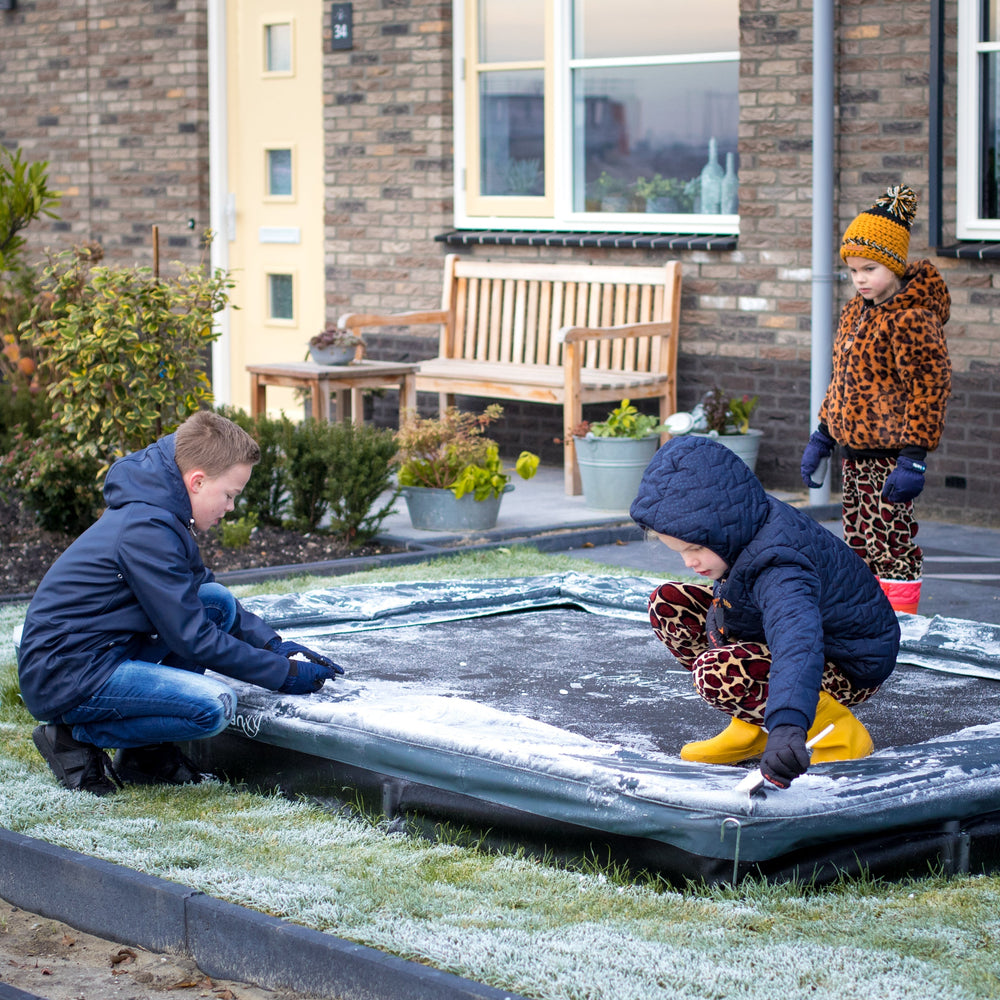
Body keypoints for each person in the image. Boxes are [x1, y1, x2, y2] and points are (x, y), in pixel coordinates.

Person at [17, 410, 344, 796]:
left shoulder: (161, 511)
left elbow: (200, 588)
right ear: (197, 481)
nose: (230, 507)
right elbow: (192, 638)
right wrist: (281, 674)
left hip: (98, 652)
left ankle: (146, 757)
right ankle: (73, 735)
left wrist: (273, 644)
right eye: (229, 495)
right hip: (68, 674)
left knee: (215, 602)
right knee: (213, 706)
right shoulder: (147, 527)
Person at [630, 435, 899, 788]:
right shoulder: (743, 524)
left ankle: (837, 734)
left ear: (723, 524)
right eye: (679, 550)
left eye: (695, 547)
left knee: (718, 673)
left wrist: (788, 726)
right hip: (787, 632)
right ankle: (753, 724)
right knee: (669, 605)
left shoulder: (780, 566)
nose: (689, 562)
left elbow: (797, 644)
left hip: (845, 660)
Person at [800, 184, 951, 615]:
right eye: (852, 271)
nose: (860, 279)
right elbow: (842, 381)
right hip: (855, 455)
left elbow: (929, 387)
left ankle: (901, 626)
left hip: (891, 457)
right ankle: (869, 623)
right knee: (860, 542)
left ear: (894, 265)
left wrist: (914, 457)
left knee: (893, 541)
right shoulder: (855, 312)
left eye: (870, 269)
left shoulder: (911, 319)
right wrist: (822, 437)